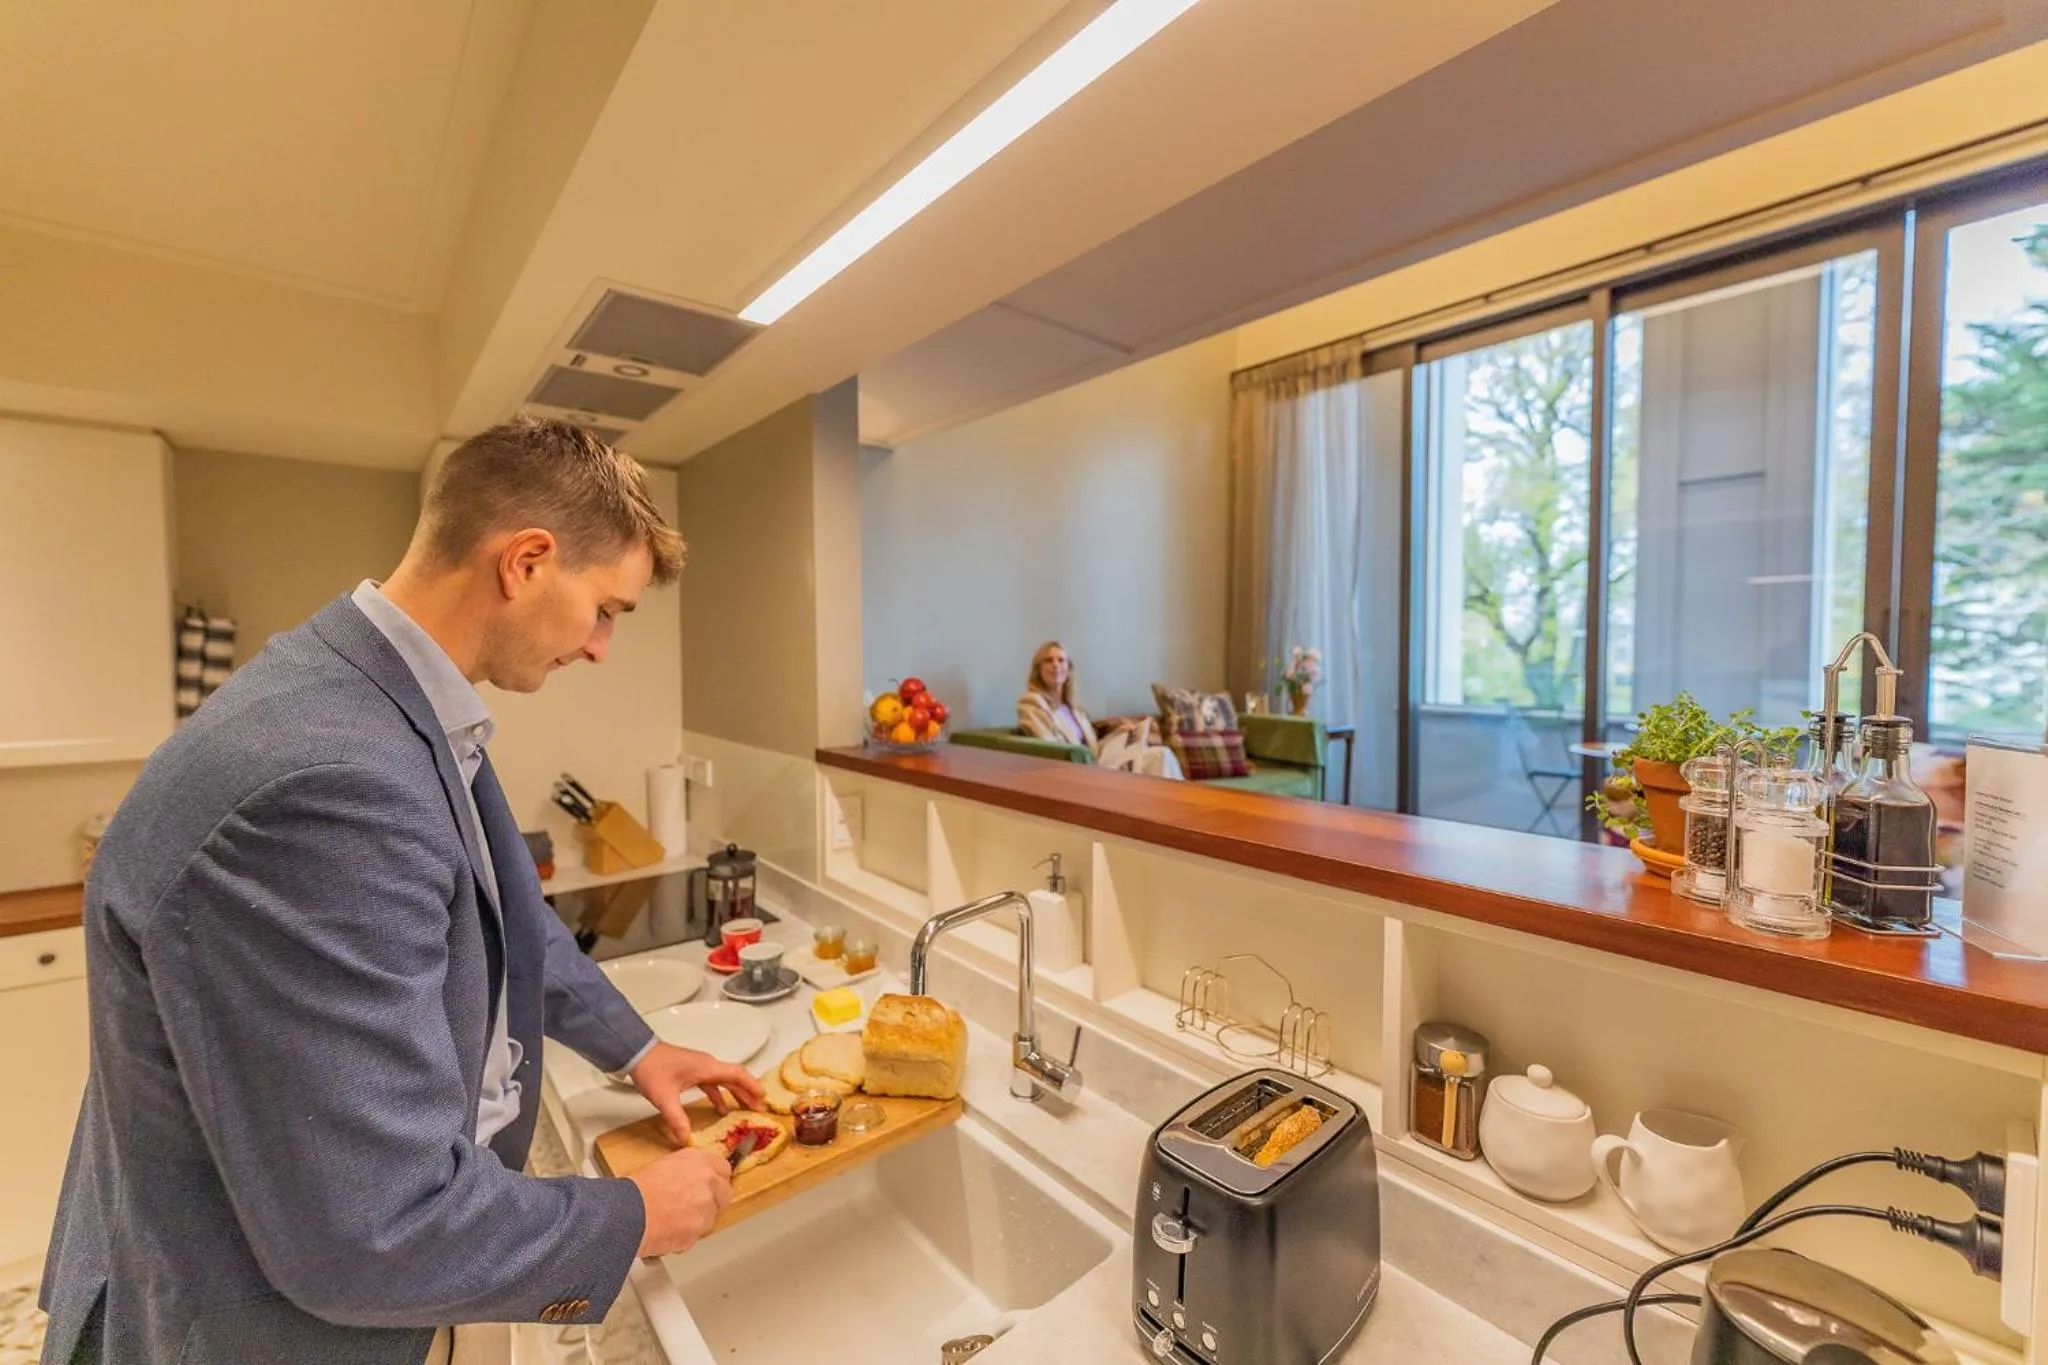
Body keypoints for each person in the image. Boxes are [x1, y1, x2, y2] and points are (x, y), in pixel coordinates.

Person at [40, 419, 764, 1365]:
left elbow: (502, 919)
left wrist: (640, 1047)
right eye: (606, 609)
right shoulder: (328, 782)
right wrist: (628, 1216)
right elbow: (369, 1227)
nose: (601, 647)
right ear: (528, 562)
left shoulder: (373, 696)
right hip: (253, 1327)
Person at [1017, 641, 1183, 779]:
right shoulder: (1032, 702)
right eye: (1048, 660)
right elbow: (1048, 747)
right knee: (1159, 759)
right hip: (1073, 773)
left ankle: (1179, 811)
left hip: (1097, 764)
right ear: (1038, 669)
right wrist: (1087, 760)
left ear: (1068, 668)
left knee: (1161, 755)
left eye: (1061, 660)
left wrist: (1119, 735)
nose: (1055, 665)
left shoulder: (1074, 709)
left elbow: (1093, 748)